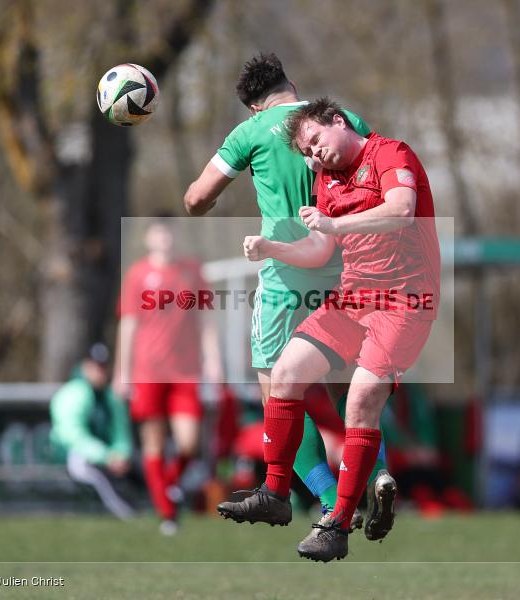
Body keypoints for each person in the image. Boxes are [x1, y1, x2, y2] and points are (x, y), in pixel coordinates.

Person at [217, 97, 441, 562]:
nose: (315, 156)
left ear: (338, 121)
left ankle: (336, 523)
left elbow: (401, 210)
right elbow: (321, 249)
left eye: (316, 142)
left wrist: (335, 223)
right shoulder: (327, 179)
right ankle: (276, 494)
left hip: (404, 305)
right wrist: (271, 248)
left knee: (359, 400)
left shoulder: (391, 154)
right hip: (353, 299)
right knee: (285, 373)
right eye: (308, 152)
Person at [183, 53, 394, 534]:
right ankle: (378, 476)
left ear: (252, 108)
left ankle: (327, 499)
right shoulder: (339, 121)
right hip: (346, 277)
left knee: (279, 394)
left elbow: (195, 199)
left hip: (285, 282)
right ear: (292, 86)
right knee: (354, 396)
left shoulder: (249, 134)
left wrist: (209, 200)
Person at [114, 216, 222, 536]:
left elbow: (206, 321)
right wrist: (123, 371)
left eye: (169, 232)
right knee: (153, 443)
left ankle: (170, 485)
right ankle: (167, 512)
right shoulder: (137, 275)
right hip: (148, 371)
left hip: (186, 372)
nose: (165, 239)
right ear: (149, 238)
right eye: (159, 233)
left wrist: (214, 362)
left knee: (189, 441)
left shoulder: (192, 271)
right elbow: (128, 325)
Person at [50, 343, 137, 520]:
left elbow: (121, 434)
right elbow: (73, 437)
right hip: (70, 455)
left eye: (103, 366)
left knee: (140, 464)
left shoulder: (111, 396)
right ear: (85, 366)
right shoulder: (74, 394)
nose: (100, 371)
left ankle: (152, 509)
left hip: (106, 457)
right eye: (96, 366)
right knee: (85, 466)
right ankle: (123, 513)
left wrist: (120, 455)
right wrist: (106, 456)